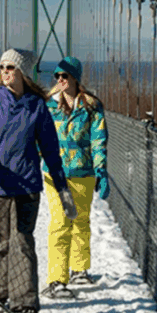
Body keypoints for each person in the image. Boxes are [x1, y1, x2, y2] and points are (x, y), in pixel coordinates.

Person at [0, 48, 77, 313]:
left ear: (22, 73)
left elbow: (51, 150)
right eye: (2, 67)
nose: (5, 72)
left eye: (11, 68)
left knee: (22, 243)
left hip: (27, 185)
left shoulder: (36, 106)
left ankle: (27, 307)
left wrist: (62, 187)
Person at [40, 56, 109, 300]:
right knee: (60, 223)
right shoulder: (47, 105)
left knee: (81, 220)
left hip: (83, 172)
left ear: (75, 78)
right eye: (57, 76)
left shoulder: (91, 106)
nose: (60, 80)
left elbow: (98, 140)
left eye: (65, 76)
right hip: (55, 174)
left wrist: (101, 170)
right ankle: (56, 279)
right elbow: (40, 137)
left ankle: (79, 268)